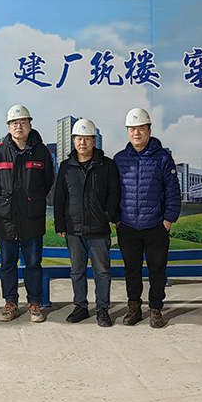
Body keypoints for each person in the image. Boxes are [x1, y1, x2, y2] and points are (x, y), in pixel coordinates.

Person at [114, 107, 181, 328]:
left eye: (141, 128)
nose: (136, 133)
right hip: (128, 226)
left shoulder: (163, 158)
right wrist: (117, 220)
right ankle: (134, 307)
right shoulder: (119, 159)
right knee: (131, 270)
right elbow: (113, 192)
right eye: (132, 129)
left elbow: (173, 192)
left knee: (157, 270)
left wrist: (167, 221)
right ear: (127, 131)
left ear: (149, 131)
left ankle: (155, 309)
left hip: (155, 226)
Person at [0, 105, 54, 323]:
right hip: (5, 219)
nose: (19, 127)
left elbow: (47, 181)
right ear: (8, 127)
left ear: (30, 125)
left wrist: (31, 199)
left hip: (31, 217)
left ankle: (34, 303)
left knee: (33, 264)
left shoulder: (41, 151)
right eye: (14, 123)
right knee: (7, 264)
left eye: (23, 122)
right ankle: (11, 303)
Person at [54, 118, 121, 327]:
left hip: (99, 229)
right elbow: (59, 197)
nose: (82, 143)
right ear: (73, 141)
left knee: (102, 271)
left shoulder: (107, 165)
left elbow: (114, 193)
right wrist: (60, 224)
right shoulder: (66, 167)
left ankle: (102, 309)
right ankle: (80, 306)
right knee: (77, 271)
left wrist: (107, 215)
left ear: (94, 141)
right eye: (78, 139)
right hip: (74, 229)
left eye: (86, 138)